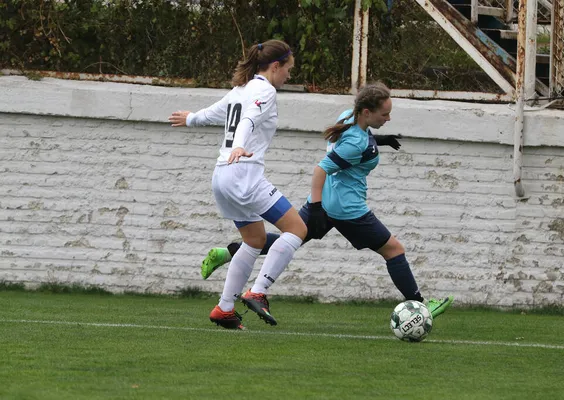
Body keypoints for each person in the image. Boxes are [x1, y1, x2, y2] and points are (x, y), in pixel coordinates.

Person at [198, 82, 454, 319]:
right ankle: (419, 305)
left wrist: (376, 140)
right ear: (367, 112)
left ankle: (229, 251)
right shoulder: (356, 143)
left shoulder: (347, 117)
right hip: (346, 209)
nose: (388, 118)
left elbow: (353, 140)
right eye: (384, 114)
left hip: (324, 201)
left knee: (293, 238)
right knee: (394, 250)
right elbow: (322, 169)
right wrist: (319, 208)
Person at [169, 40, 307, 330]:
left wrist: (190, 118)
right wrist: (241, 146)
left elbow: (214, 113)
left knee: (255, 240)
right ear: (275, 66)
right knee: (297, 229)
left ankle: (224, 309)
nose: (289, 76)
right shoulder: (264, 91)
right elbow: (249, 120)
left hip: (222, 175)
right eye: (289, 70)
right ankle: (258, 291)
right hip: (243, 173)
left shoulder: (240, 90)